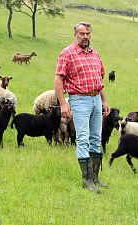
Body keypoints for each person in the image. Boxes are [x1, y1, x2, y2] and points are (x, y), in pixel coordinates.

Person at [54, 22, 110, 194]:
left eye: (88, 33)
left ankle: (95, 178)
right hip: (79, 100)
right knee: (83, 138)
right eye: (82, 34)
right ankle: (86, 180)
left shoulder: (95, 54)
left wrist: (104, 100)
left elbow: (99, 80)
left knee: (95, 138)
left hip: (95, 99)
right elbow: (58, 79)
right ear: (75, 35)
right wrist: (63, 103)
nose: (85, 36)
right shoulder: (67, 53)